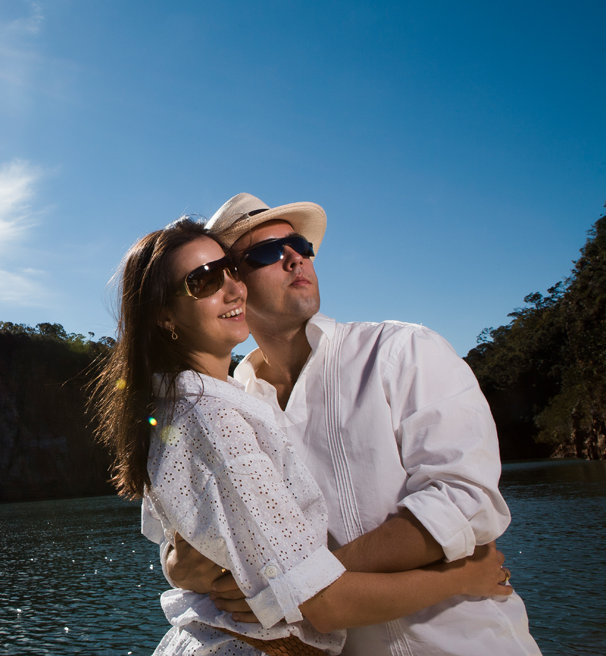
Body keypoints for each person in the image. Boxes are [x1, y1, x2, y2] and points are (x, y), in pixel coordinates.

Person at [93, 216, 513, 656]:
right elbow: (186, 540)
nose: (294, 257)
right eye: (265, 253)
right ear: (167, 314)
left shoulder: (399, 351)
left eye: (299, 244)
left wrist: (281, 583)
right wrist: (194, 571)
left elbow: (466, 498)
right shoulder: (218, 407)